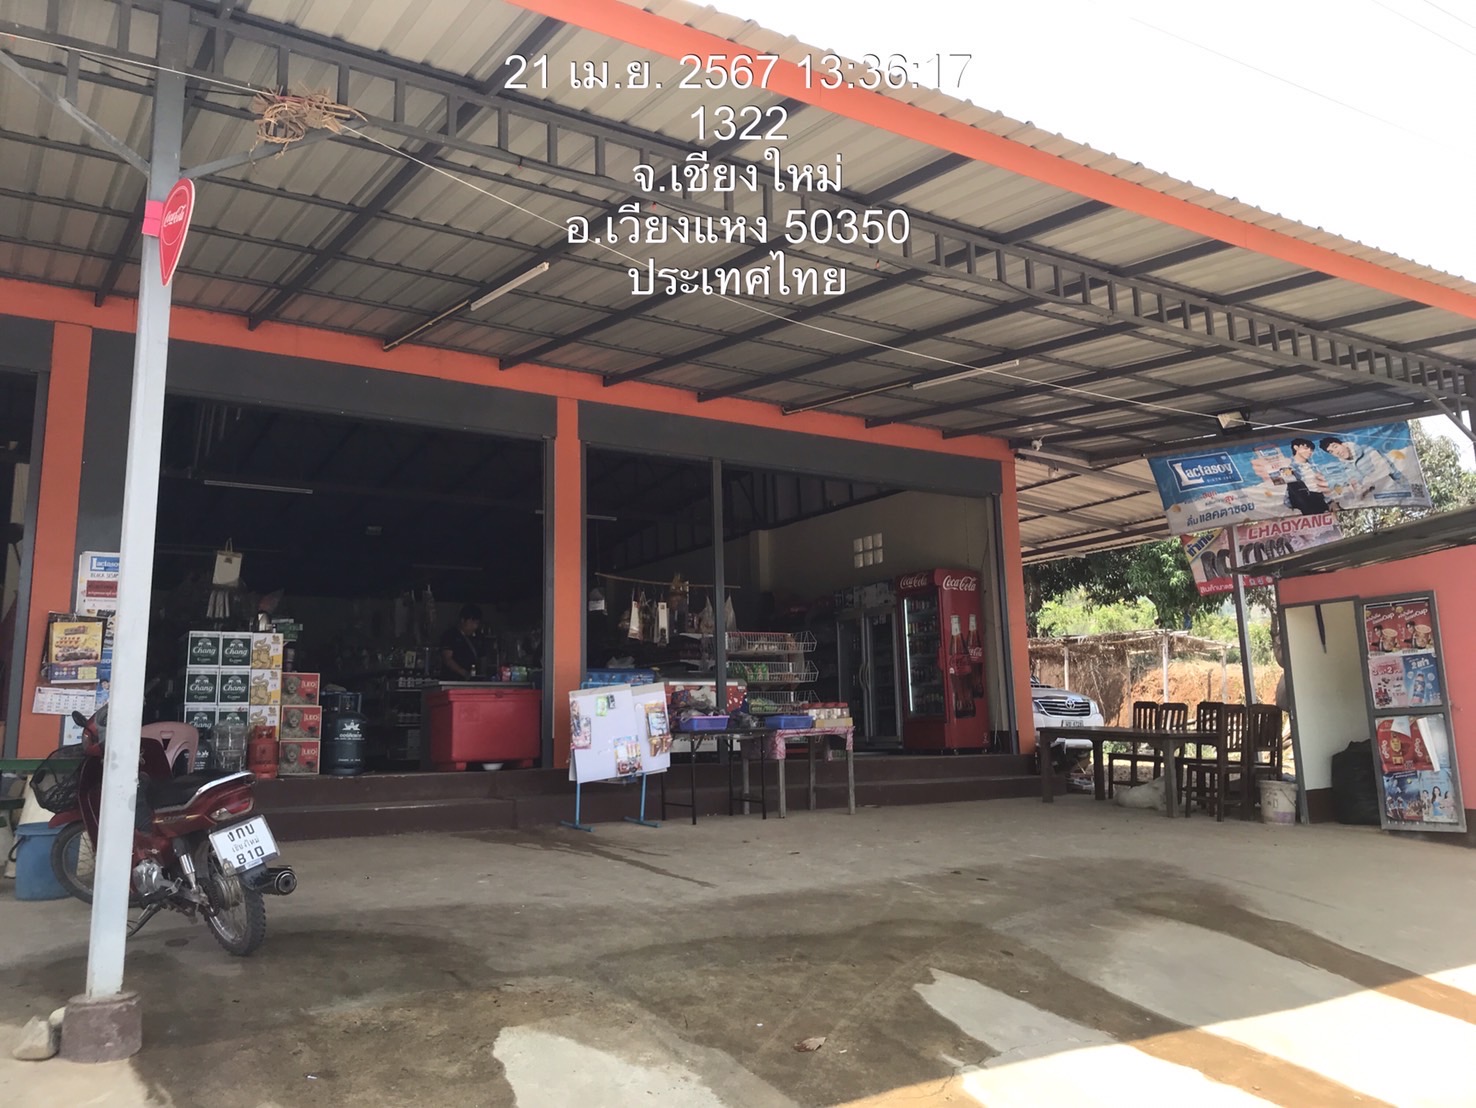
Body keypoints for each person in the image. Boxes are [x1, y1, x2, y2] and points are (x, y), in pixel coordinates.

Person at [1318, 435, 1407, 502]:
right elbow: (1356, 490)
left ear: (1343, 444)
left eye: (1335, 446)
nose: (1336, 452)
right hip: (1375, 502)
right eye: (1331, 452)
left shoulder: (1367, 450)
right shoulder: (1345, 468)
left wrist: (1408, 489)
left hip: (1394, 494)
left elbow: (1388, 470)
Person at [1284, 438, 1332, 514]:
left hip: (1320, 500)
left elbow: (1323, 486)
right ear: (1296, 447)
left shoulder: (1314, 467)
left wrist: (1330, 502)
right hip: (1303, 503)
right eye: (1306, 448)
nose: (1309, 451)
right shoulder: (1287, 467)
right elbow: (1287, 488)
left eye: (1311, 450)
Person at [439, 604, 483, 679]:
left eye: (477, 623)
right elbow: (447, 659)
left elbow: (482, 658)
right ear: (463, 620)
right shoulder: (450, 635)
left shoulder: (478, 638)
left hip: (472, 679)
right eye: (472, 622)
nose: (474, 626)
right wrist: (464, 673)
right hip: (452, 679)